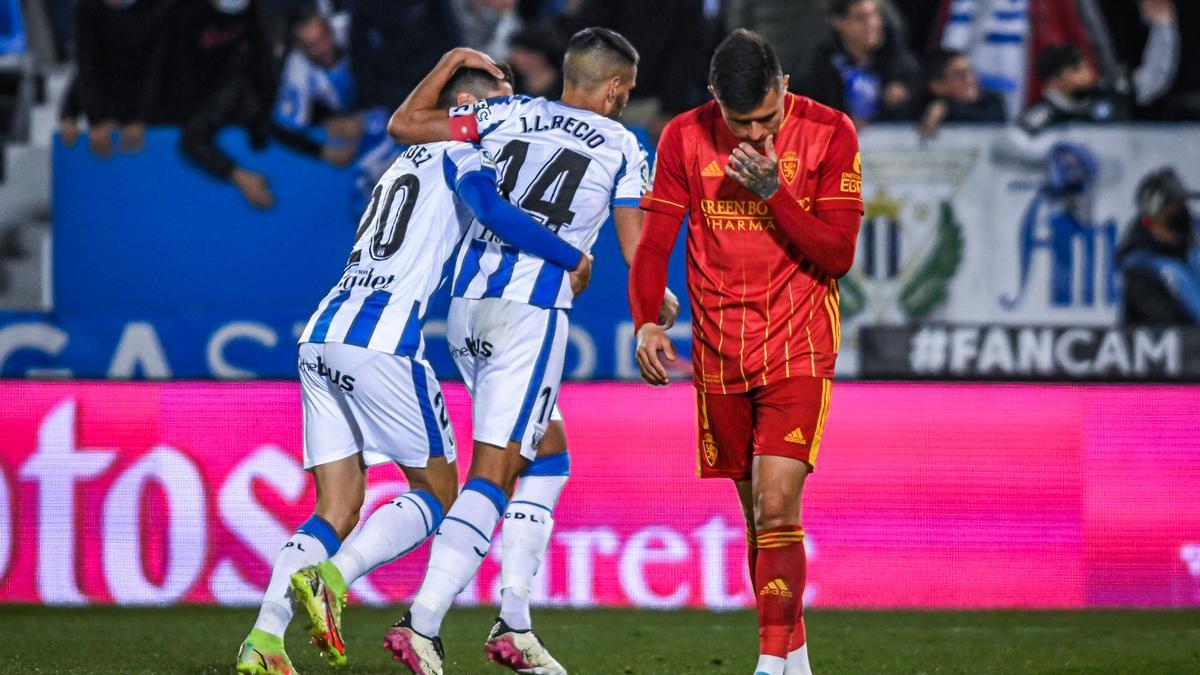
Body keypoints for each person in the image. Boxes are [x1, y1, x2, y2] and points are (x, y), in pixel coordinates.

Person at [234, 58, 593, 675]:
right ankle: (333, 578)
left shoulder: (398, 163)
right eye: (498, 102)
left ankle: (264, 641)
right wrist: (567, 256)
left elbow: (407, 124)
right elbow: (491, 209)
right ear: (472, 112)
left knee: (337, 509)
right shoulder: (464, 152)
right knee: (437, 494)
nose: (508, 113)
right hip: (382, 340)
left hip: (322, 335)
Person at [384, 29, 676, 675]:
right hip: (531, 314)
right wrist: (651, 312)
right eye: (624, 92)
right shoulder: (625, 146)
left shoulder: (502, 111)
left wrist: (451, 60)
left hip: (464, 312)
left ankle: (514, 619)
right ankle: (423, 620)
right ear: (616, 89)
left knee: (548, 456)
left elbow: (405, 124)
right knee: (496, 468)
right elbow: (637, 248)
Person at [629, 29, 863, 675]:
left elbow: (838, 253)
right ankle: (798, 662)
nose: (758, 135)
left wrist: (773, 193)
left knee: (777, 505)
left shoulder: (830, 132)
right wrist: (648, 322)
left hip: (799, 342)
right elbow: (653, 246)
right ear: (715, 101)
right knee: (759, 524)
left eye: (767, 117)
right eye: (742, 123)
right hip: (720, 351)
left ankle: (765, 665)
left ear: (784, 86)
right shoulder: (683, 136)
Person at [1020, 1, 1177, 134]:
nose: (1088, 70)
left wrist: (1162, 26)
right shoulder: (1040, 119)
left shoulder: (1111, 95)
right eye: (1077, 67)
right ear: (1056, 78)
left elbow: (1154, 77)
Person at [69, 0, 173, 157]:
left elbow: (158, 69)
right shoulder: (88, 8)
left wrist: (141, 119)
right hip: (112, 111)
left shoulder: (164, 9)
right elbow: (86, 66)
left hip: (159, 113)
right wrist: (94, 119)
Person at [800, 0, 919, 126]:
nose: (872, 24)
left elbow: (919, 91)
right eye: (861, 18)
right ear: (839, 23)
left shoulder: (896, 56)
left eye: (875, 15)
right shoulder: (824, 61)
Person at [1118, 167, 1200, 325]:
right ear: (1156, 211)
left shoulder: (1191, 254)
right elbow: (1162, 326)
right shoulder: (1139, 268)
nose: (1183, 210)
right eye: (1174, 204)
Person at [917, 48, 1006, 138]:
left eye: (970, 71)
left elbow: (990, 120)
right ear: (937, 85)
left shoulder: (991, 102)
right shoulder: (924, 104)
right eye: (959, 74)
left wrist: (948, 108)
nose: (969, 80)